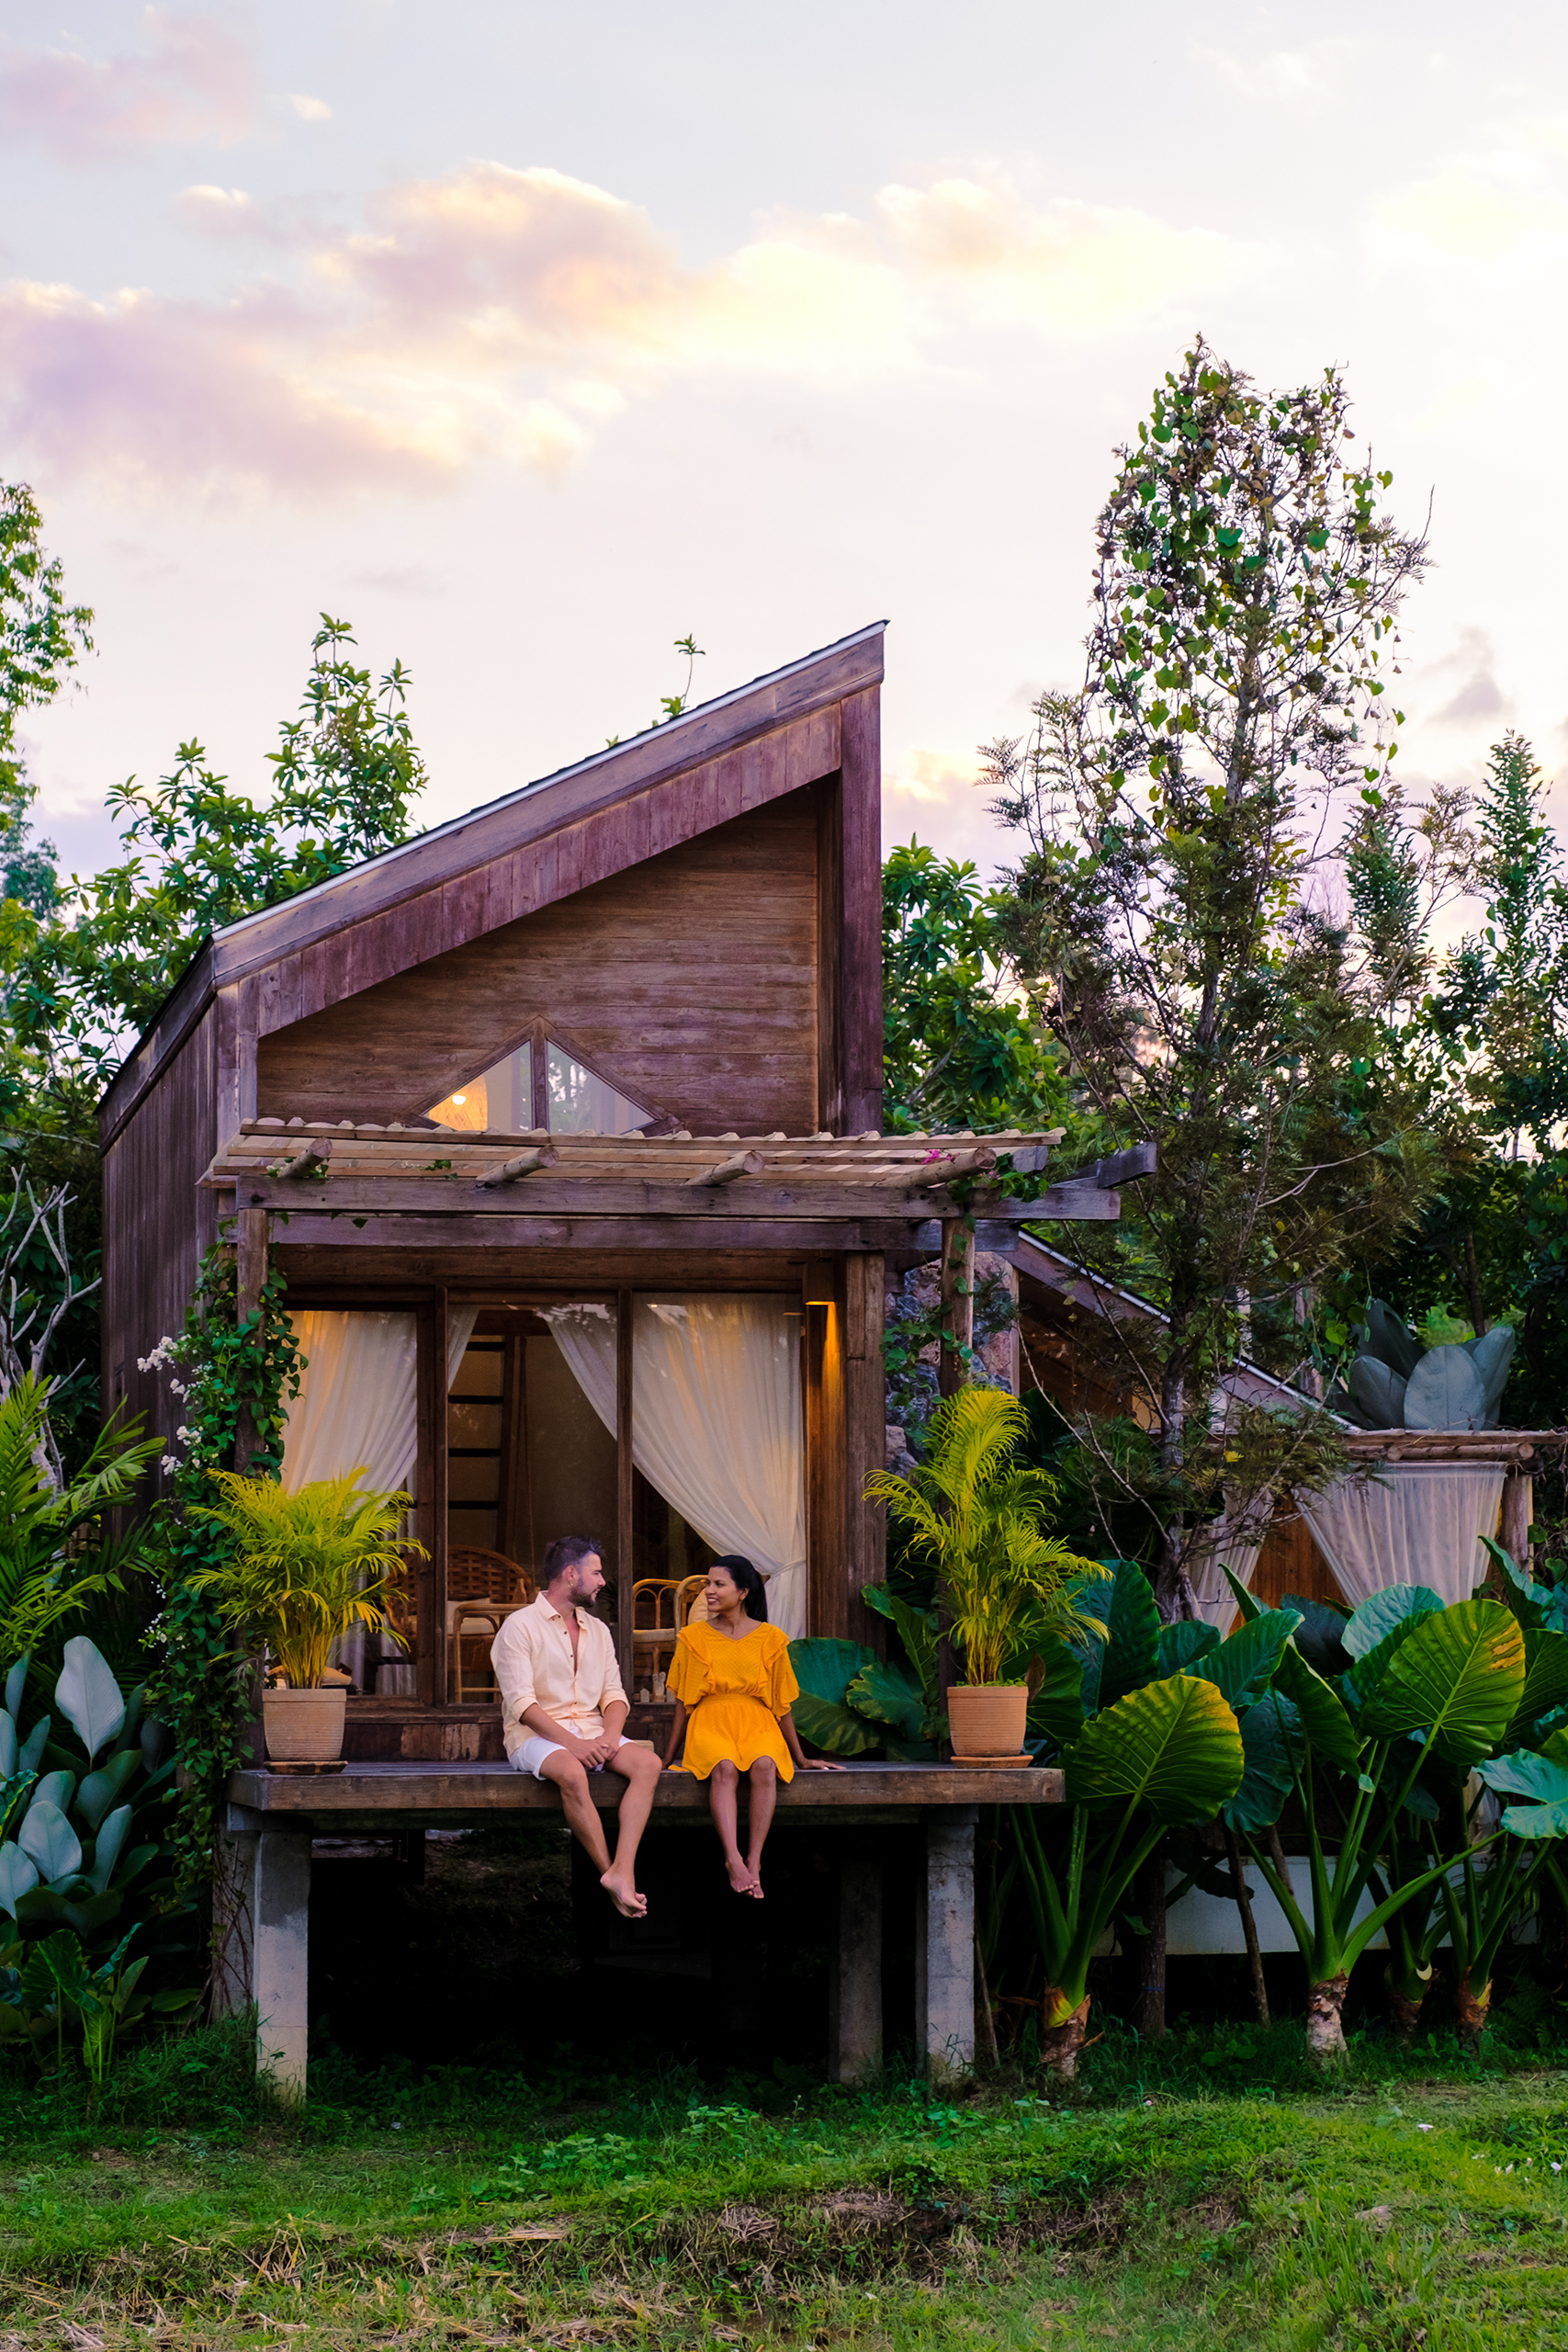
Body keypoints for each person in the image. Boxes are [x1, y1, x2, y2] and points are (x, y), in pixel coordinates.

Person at [491, 1534, 661, 1920]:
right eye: (596, 1573)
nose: (603, 1581)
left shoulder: (597, 1630)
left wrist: (608, 1737)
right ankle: (608, 1872)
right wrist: (575, 1745)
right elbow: (522, 1706)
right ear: (571, 1574)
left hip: (593, 1730)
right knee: (571, 1772)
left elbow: (614, 1695)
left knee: (649, 1764)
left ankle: (623, 1870)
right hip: (534, 1737)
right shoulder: (519, 1627)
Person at [661, 1553, 844, 1898]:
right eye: (707, 1584)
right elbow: (683, 1703)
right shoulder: (692, 1637)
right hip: (710, 1719)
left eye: (718, 1584)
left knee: (765, 1765)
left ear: (743, 1592)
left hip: (757, 1720)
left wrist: (801, 1758)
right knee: (724, 1768)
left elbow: (781, 1705)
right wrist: (668, 1755)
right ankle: (732, 1858)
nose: (709, 1591)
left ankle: (754, 1860)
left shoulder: (771, 1638)